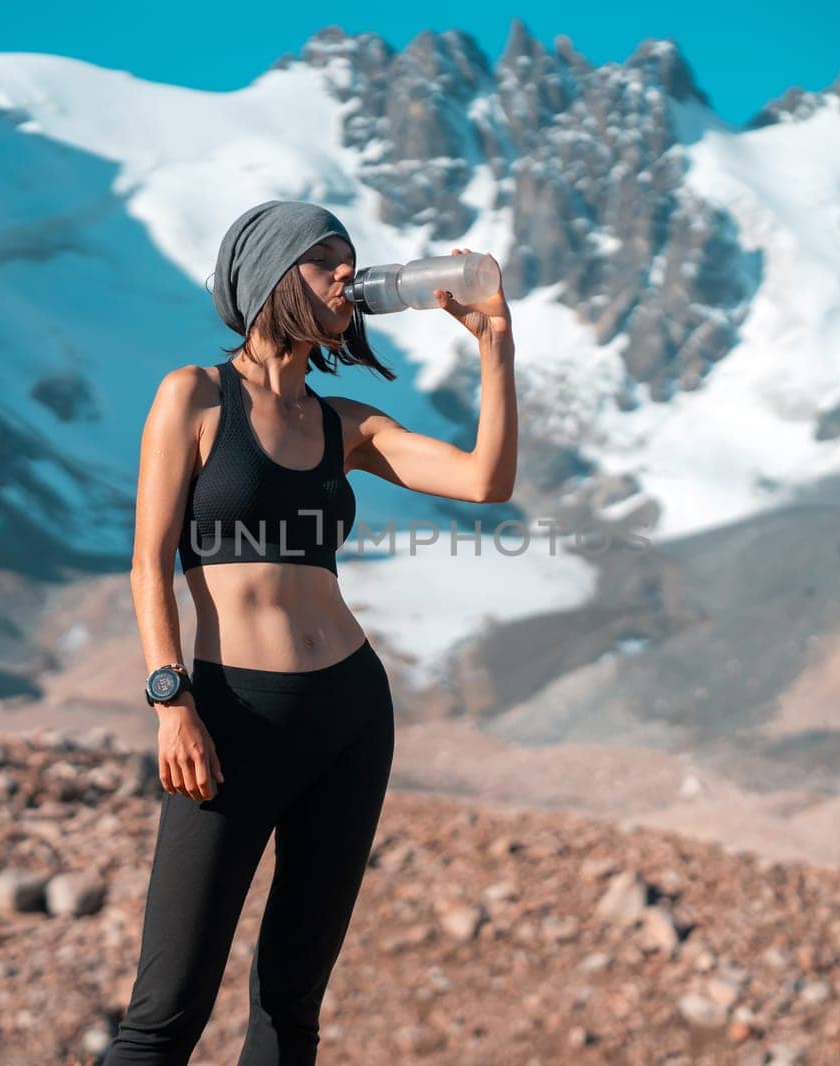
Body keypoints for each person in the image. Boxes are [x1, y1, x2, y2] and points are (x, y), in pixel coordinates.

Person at [103, 199, 517, 1066]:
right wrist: (170, 699)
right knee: (165, 1011)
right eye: (324, 259)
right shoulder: (194, 396)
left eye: (349, 259)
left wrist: (494, 344)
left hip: (349, 715)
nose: (346, 275)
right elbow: (147, 564)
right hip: (230, 714)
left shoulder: (346, 426)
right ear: (269, 279)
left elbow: (485, 480)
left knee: (291, 1006)